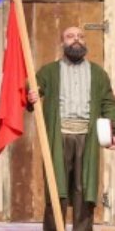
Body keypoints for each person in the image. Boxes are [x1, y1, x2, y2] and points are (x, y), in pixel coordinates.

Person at [27, 26, 115, 231]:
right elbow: (32, 91)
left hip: (87, 137)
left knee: (84, 189)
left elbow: (108, 104)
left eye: (80, 36)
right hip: (58, 137)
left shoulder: (98, 73)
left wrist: (112, 132)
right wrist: (31, 95)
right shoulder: (49, 71)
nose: (76, 39)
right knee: (56, 187)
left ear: (85, 42)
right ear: (62, 43)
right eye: (70, 36)